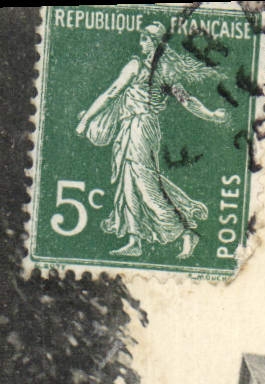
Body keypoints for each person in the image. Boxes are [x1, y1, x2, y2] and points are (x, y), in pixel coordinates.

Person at [73, 23, 229, 259]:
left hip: (139, 127)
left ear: (156, 43)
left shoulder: (137, 66)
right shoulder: (166, 70)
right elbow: (187, 100)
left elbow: (112, 92)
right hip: (136, 127)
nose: (141, 44)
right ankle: (134, 240)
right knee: (129, 182)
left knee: (145, 184)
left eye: (145, 39)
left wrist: (85, 120)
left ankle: (185, 232)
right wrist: (212, 115)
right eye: (142, 39)